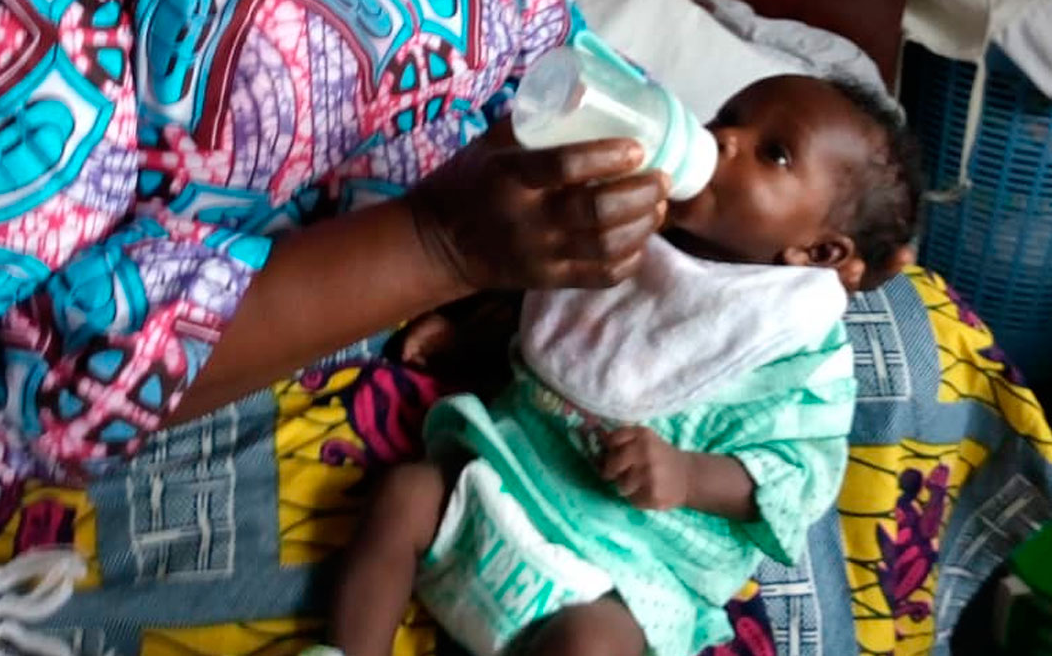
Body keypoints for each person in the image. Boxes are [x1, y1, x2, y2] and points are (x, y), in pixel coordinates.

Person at [319, 75, 924, 656]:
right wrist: (466, 338)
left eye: (775, 154)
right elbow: (558, 324)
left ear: (818, 250)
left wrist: (688, 475)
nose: (724, 139)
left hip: (621, 569)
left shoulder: (796, 346)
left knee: (594, 645)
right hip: (503, 480)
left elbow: (796, 478)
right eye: (728, 117)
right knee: (405, 494)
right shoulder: (629, 227)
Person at [0, 0, 667, 482]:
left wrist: (653, 161)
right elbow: (32, 390)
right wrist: (439, 245)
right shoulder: (29, 32)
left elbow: (561, 59)